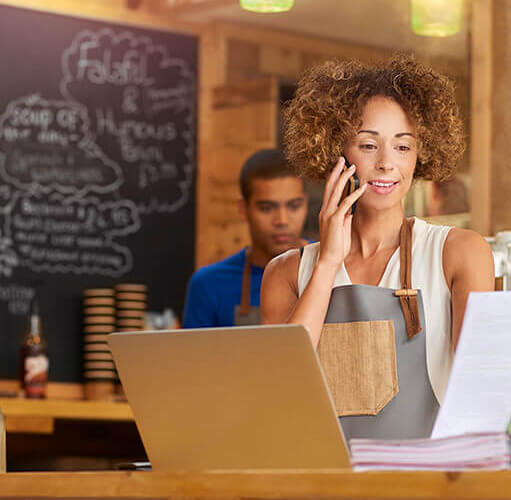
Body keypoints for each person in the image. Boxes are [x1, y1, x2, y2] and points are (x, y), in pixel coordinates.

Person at [261, 56, 494, 438]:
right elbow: (279, 388)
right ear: (336, 152)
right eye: (369, 145)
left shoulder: (459, 253)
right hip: (322, 482)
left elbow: (479, 388)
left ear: (421, 155)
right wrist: (326, 265)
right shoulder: (286, 272)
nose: (387, 164)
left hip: (426, 482)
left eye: (403, 147)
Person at [183, 148, 309, 328]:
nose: (282, 220)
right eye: (267, 208)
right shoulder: (209, 285)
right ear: (243, 208)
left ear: (305, 203)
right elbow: (193, 356)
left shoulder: (331, 268)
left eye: (294, 206)